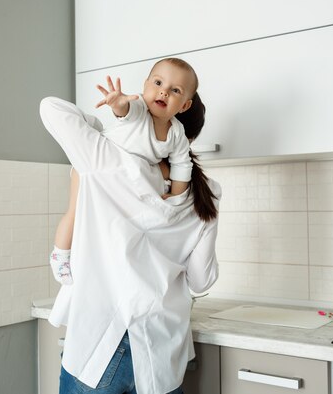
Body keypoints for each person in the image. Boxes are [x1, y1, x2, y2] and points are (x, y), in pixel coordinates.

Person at [39, 83, 221, 393]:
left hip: (103, 340)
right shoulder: (209, 192)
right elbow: (201, 281)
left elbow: (50, 107)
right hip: (163, 350)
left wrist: (103, 124)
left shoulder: (106, 159)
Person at [50, 58, 201, 285]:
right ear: (145, 85)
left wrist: (176, 196)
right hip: (92, 165)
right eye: (158, 83)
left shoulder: (176, 133)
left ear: (184, 106)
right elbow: (125, 111)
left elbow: (182, 164)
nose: (164, 93)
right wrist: (118, 103)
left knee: (98, 218)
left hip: (117, 177)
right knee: (75, 212)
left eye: (175, 90)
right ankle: (60, 256)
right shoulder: (140, 108)